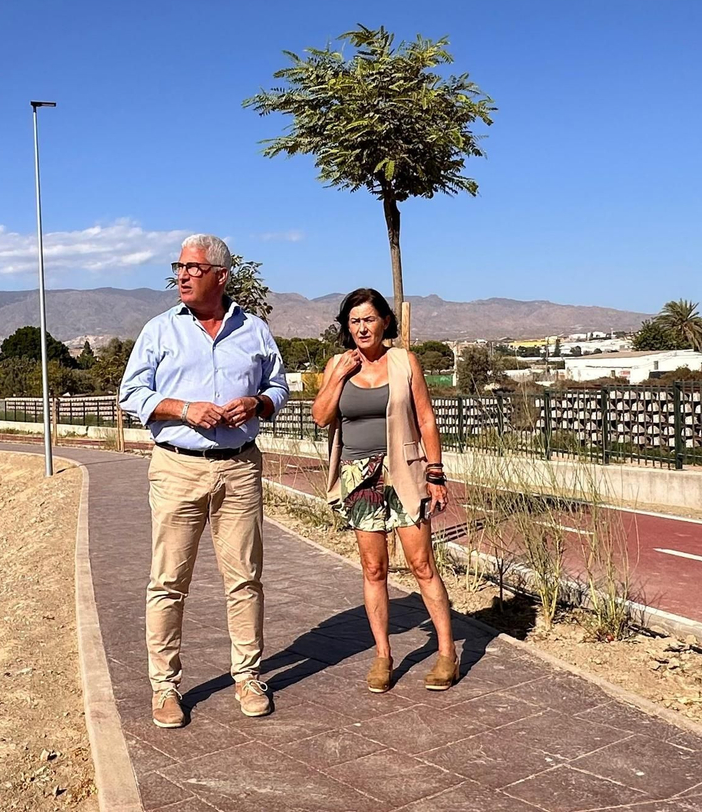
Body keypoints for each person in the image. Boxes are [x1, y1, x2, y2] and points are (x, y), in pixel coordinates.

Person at [119, 234, 290, 729]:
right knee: (168, 581)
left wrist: (256, 403)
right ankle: (164, 687)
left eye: (192, 267)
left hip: (239, 467)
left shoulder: (254, 330)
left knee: (244, 578)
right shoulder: (158, 331)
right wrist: (184, 408)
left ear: (220, 275)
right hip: (177, 467)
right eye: (178, 267)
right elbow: (132, 394)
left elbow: (278, 386)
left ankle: (248, 676)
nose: (182, 275)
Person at [311, 287, 458, 693]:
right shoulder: (338, 364)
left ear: (386, 322)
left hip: (405, 473)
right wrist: (338, 376)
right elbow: (321, 417)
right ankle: (383, 656)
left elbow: (426, 419)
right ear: (347, 326)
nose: (362, 327)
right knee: (374, 569)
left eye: (369, 319)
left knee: (421, 564)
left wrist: (436, 473)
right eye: (354, 321)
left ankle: (447, 652)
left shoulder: (403, 361)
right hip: (360, 478)